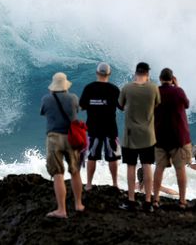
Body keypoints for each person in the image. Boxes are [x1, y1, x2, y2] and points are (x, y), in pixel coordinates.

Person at [41, 72, 85, 218]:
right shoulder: (73, 98)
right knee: (75, 171)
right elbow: (76, 111)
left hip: (54, 138)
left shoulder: (47, 99)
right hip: (71, 138)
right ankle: (78, 204)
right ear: (65, 84)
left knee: (58, 174)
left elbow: (44, 113)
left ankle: (62, 210)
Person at [118, 62, 160, 212]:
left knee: (131, 166)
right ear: (147, 74)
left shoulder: (127, 88)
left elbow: (121, 106)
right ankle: (148, 202)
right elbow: (157, 105)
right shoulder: (153, 88)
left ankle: (131, 200)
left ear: (136, 73)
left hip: (130, 134)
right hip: (148, 135)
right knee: (147, 166)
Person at [152, 68, 192, 209]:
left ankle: (155, 199)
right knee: (180, 169)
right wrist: (178, 86)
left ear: (160, 78)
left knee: (159, 168)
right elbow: (186, 104)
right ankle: (182, 201)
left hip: (160, 137)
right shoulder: (178, 92)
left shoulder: (155, 92)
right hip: (178, 137)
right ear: (172, 79)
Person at [79, 62, 121, 191]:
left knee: (92, 156)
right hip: (110, 128)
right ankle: (115, 184)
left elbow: (81, 107)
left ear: (97, 73)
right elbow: (122, 107)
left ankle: (89, 184)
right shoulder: (114, 89)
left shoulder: (89, 88)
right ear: (109, 74)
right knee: (112, 157)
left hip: (93, 127)